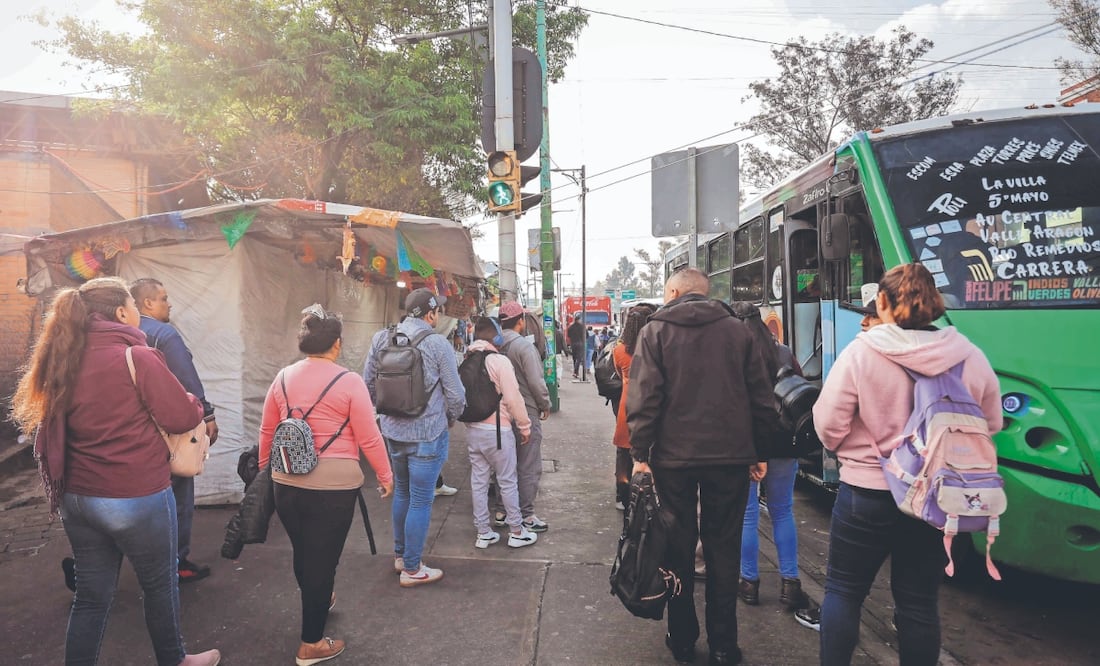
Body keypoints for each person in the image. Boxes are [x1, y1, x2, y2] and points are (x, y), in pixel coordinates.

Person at [12, 277, 219, 666]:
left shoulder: (63, 356)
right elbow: (178, 417)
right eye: (135, 306)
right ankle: (174, 660)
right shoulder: (136, 357)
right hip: (135, 495)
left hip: (77, 497)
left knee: (91, 596)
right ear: (123, 312)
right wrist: (194, 403)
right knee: (159, 587)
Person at [812, 264, 1002, 666]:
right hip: (936, 495)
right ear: (934, 301)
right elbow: (992, 423)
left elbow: (829, 425)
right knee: (918, 602)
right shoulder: (968, 355)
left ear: (881, 301)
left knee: (844, 592)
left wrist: (854, 452)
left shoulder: (863, 352)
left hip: (867, 491)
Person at [627, 268, 778, 666]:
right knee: (723, 550)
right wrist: (760, 450)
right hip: (730, 459)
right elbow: (761, 396)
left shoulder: (655, 332)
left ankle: (681, 638)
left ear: (674, 292)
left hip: (673, 459)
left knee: (677, 548)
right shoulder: (738, 330)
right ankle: (725, 645)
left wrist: (640, 453)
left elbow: (644, 399)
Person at [258, 304, 393, 666]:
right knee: (323, 558)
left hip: (285, 480)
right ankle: (311, 643)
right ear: (336, 344)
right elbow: (369, 437)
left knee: (304, 550)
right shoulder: (348, 381)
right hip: (334, 487)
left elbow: (268, 430)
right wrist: (385, 475)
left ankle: (320, 598)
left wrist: (263, 471)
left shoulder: (282, 377)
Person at [363, 288, 465, 587]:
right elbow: (457, 395)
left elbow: (367, 382)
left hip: (393, 432)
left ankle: (400, 557)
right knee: (421, 500)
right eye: (438, 311)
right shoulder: (437, 345)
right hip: (427, 434)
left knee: (403, 493)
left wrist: (386, 413)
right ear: (431, 314)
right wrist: (449, 418)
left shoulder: (382, 338)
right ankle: (412, 568)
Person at [728, 301, 820, 629]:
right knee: (783, 511)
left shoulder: (734, 355)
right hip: (786, 444)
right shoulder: (782, 352)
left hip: (751, 445)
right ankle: (790, 582)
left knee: (748, 514)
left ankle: (749, 583)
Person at [129, 278, 219, 584]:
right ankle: (177, 562)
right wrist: (207, 415)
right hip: (167, 430)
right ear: (147, 304)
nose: (170, 304)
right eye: (164, 298)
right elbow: (185, 378)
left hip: (130, 432)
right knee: (178, 492)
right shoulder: (162, 333)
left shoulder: (120, 336)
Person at [463, 316, 539, 549]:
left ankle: (483, 532)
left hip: (473, 431)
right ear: (496, 337)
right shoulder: (499, 362)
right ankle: (516, 531)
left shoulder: (467, 360)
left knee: (479, 482)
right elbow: (514, 399)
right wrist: (524, 427)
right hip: (498, 431)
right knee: (507, 481)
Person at [493, 301, 553, 533]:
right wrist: (544, 404)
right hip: (525, 412)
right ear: (520, 321)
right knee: (528, 465)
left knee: (504, 466)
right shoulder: (523, 347)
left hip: (498, 415)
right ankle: (527, 515)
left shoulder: (493, 345)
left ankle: (501, 511)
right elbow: (536, 383)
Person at [610, 305, 653, 510]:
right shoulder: (653, 347)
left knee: (623, 451)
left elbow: (619, 374)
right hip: (650, 400)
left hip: (627, 403)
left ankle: (622, 494)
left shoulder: (619, 350)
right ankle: (646, 492)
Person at [567, 313, 586, 378]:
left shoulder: (570, 327)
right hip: (580, 343)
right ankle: (575, 372)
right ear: (579, 320)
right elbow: (587, 335)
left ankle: (576, 372)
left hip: (573, 343)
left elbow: (568, 335)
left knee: (574, 358)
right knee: (579, 358)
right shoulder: (582, 327)